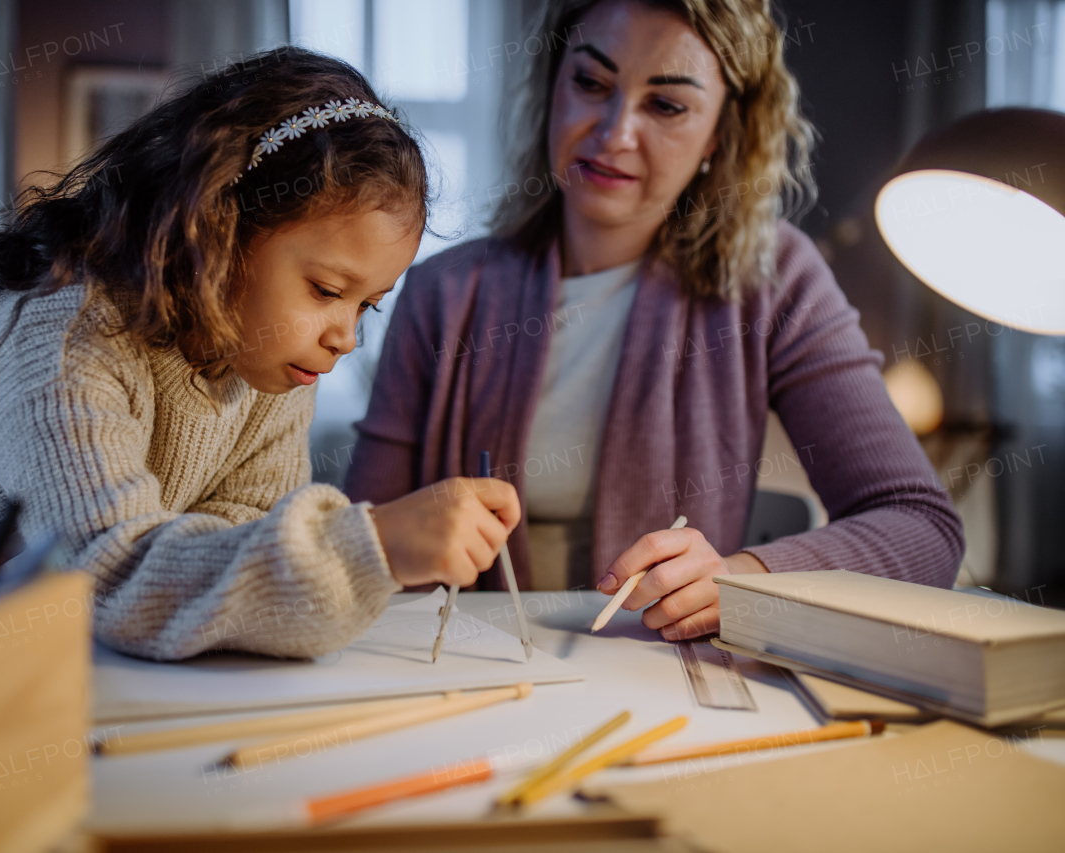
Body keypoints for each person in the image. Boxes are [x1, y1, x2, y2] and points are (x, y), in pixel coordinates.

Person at [0, 48, 520, 661]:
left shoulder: (273, 360)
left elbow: (236, 542)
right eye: (326, 289)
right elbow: (116, 575)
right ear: (217, 228)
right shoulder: (61, 340)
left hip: (66, 656)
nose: (345, 335)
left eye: (367, 305)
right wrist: (371, 545)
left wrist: (224, 575)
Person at [344, 0, 964, 641]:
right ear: (554, 85)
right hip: (479, 680)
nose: (613, 134)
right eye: (591, 83)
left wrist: (743, 578)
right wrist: (386, 545)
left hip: (669, 686)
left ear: (721, 133)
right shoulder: (443, 292)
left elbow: (922, 527)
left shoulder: (775, 280)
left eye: (666, 106)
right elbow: (365, 546)